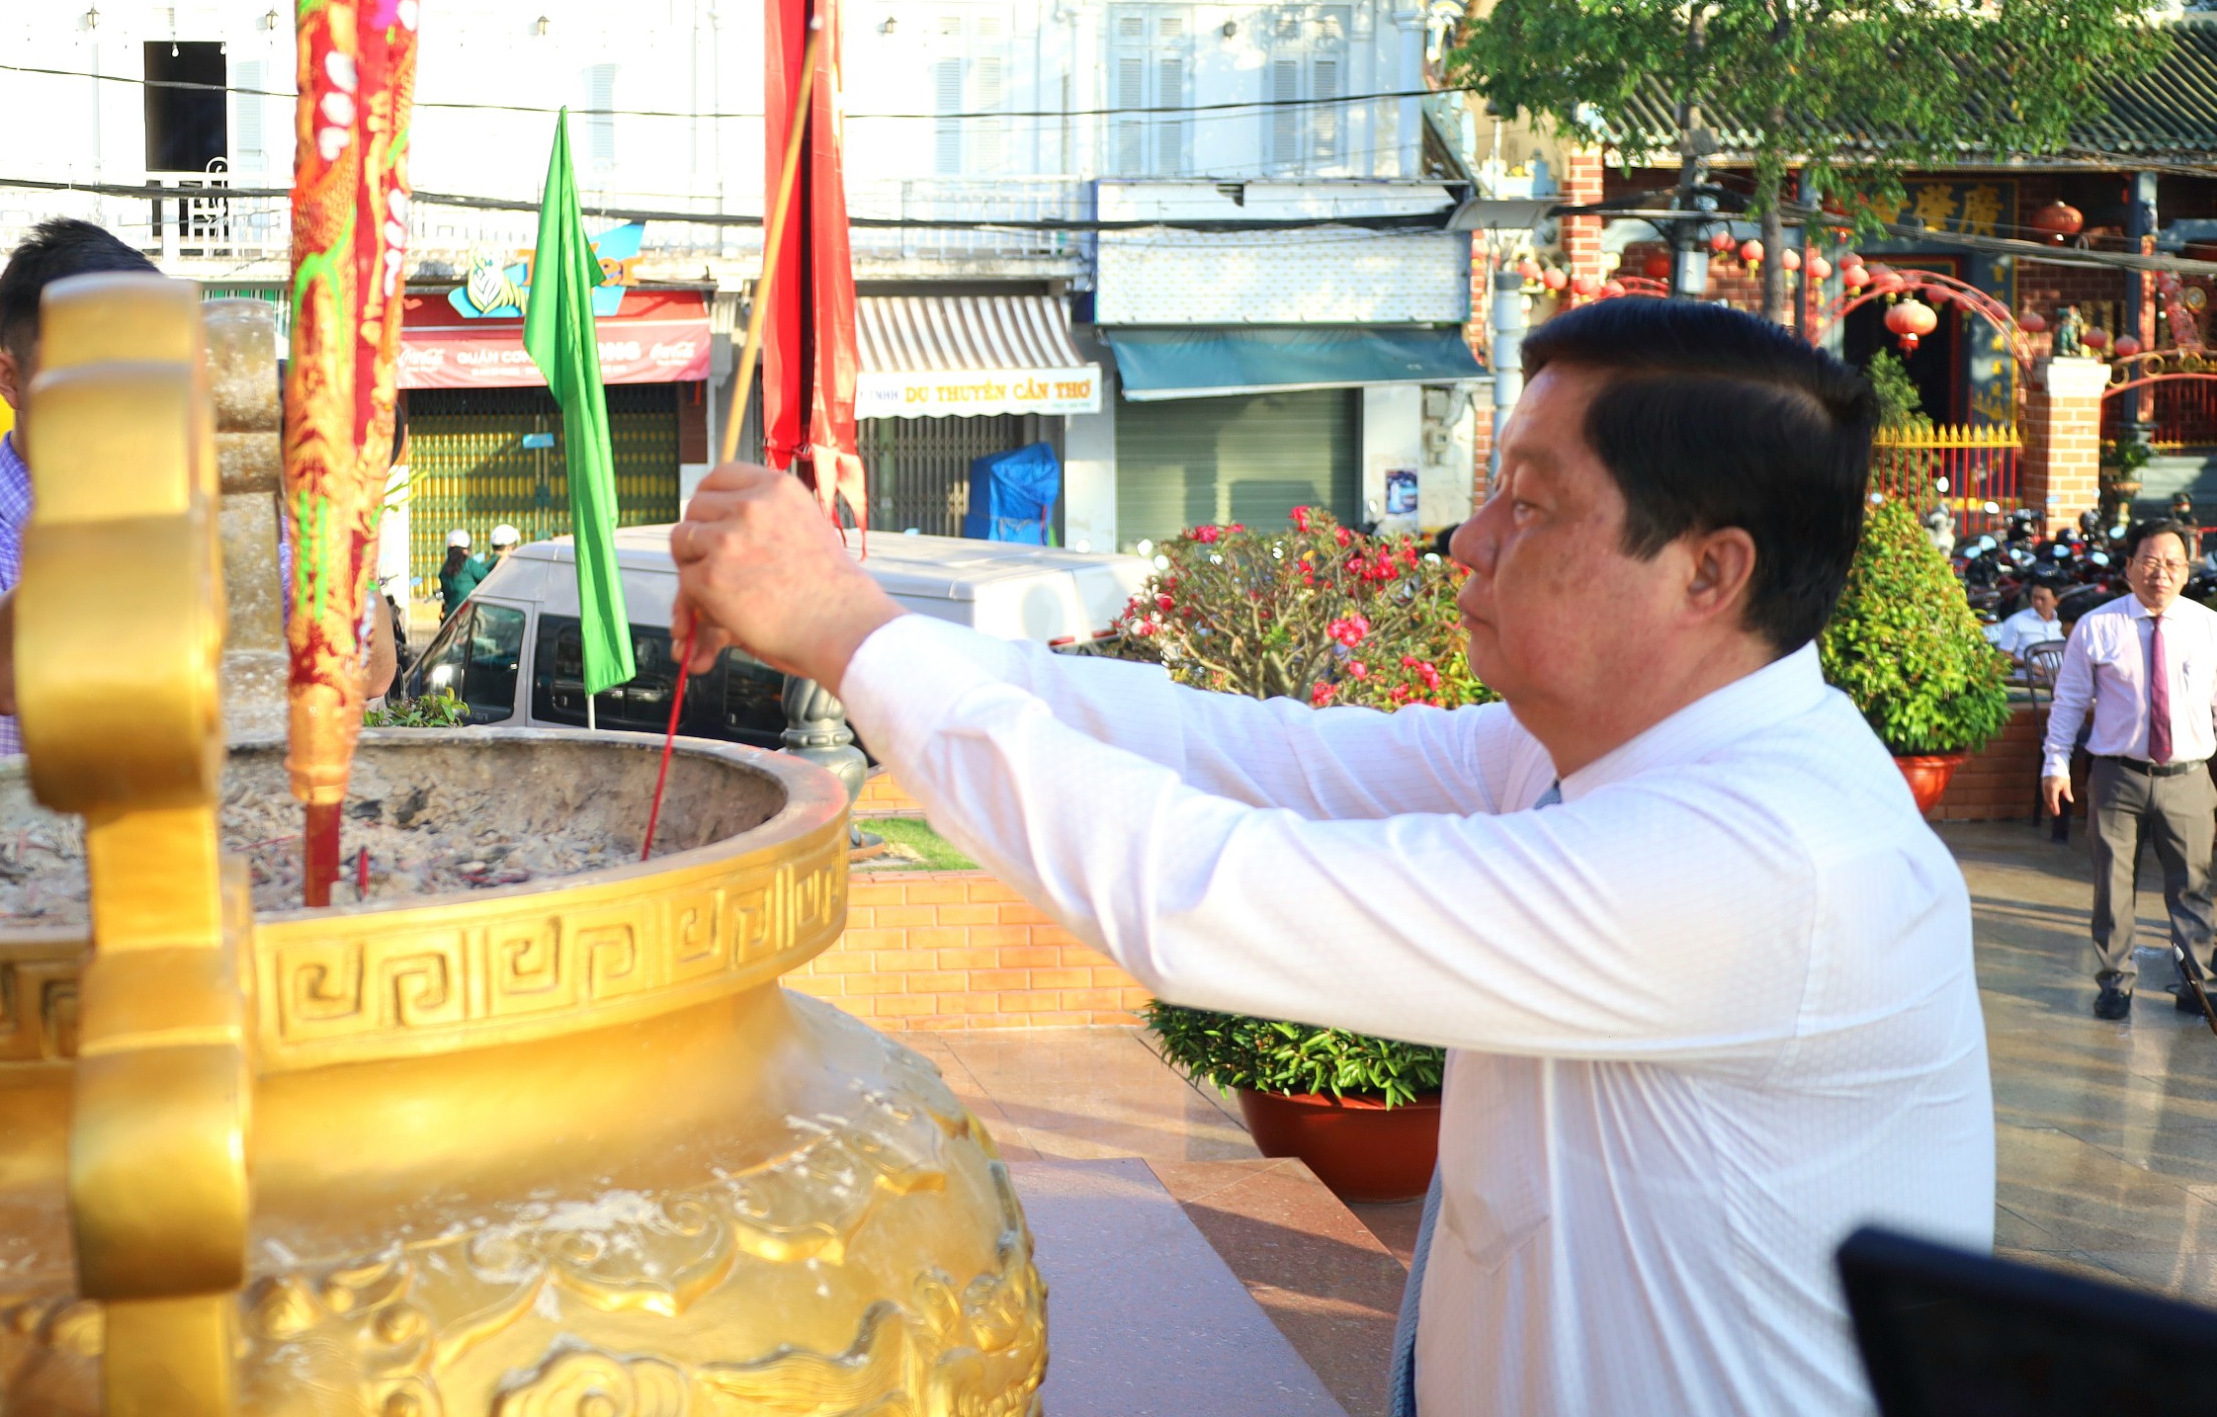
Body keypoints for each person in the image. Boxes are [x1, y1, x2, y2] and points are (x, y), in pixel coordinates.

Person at [670, 298, 1990, 1417]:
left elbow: (1203, 896)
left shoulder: (1772, 863)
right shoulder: (1593, 759)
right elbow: (1244, 754)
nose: (1467, 545)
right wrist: (868, 625)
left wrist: (849, 633)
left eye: (1533, 509)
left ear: (1710, 575)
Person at [0, 219, 394, 765]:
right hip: (9, 851)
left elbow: (367, 667)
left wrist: (318, 500)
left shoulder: (218, 519)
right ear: (10, 379)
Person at [2043, 521, 2217, 1020]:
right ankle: (2115, 982)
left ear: (2187, 571)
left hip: (2187, 777)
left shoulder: (2208, 627)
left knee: (2193, 885)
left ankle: (2197, 984)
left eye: (2172, 563)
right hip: (2116, 777)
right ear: (2129, 568)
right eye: (2150, 562)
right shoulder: (2098, 626)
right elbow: (2071, 700)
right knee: (2114, 886)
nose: (2160, 574)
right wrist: (2055, 763)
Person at [1985, 583, 2063, 661]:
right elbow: (2003, 655)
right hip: (2028, 672)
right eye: (2034, 598)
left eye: (2043, 599)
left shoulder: (2062, 622)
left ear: (2056, 601)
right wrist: (2029, 666)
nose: (2038, 603)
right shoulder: (2015, 621)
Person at [439, 528, 484, 619]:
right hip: (472, 613)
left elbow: (447, 597)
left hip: (452, 616)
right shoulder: (469, 564)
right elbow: (489, 579)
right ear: (465, 549)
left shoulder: (444, 570)